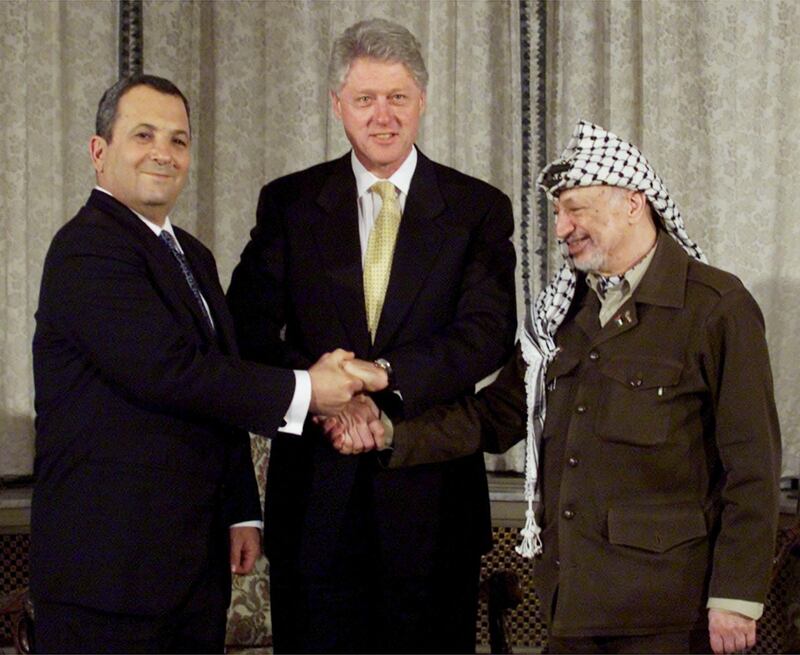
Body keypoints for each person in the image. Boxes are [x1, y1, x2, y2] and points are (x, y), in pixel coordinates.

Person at [327, 121, 782, 654]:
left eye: (576, 209)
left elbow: (752, 466)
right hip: (572, 606)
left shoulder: (715, 307)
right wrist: (388, 433)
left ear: (633, 204)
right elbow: (497, 415)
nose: (562, 227)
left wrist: (735, 597)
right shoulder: (561, 314)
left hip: (668, 613)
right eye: (558, 212)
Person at [30, 74, 377, 654]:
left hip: (192, 564)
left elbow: (219, 380)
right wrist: (309, 390)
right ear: (99, 151)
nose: (163, 153)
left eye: (178, 140)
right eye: (143, 135)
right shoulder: (85, 248)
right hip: (107, 573)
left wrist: (242, 508)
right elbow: (171, 372)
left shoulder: (190, 253)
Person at [226, 18, 517, 654]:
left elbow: (488, 332)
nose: (382, 116)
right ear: (337, 105)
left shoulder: (478, 209)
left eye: (397, 98)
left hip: (434, 508)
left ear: (423, 100)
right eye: (365, 99)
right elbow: (243, 326)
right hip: (315, 505)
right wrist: (324, 394)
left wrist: (382, 375)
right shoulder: (290, 203)